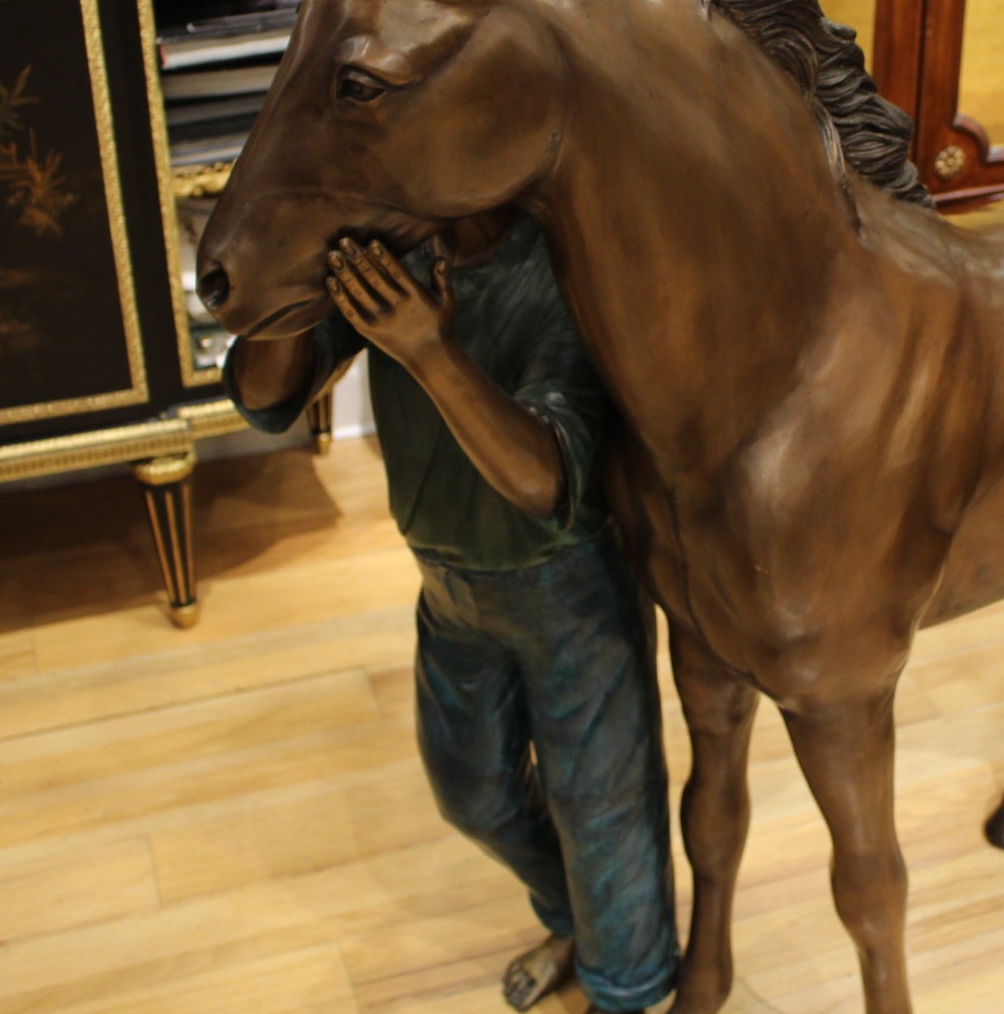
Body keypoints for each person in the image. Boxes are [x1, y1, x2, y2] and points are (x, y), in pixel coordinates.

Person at [223, 211, 677, 1014]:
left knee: (604, 813)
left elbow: (543, 483)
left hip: (568, 587)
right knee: (473, 794)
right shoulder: (393, 253)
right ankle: (577, 920)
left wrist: (428, 349)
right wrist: (285, 278)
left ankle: (627, 991)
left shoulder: (564, 261)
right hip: (449, 585)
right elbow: (269, 397)